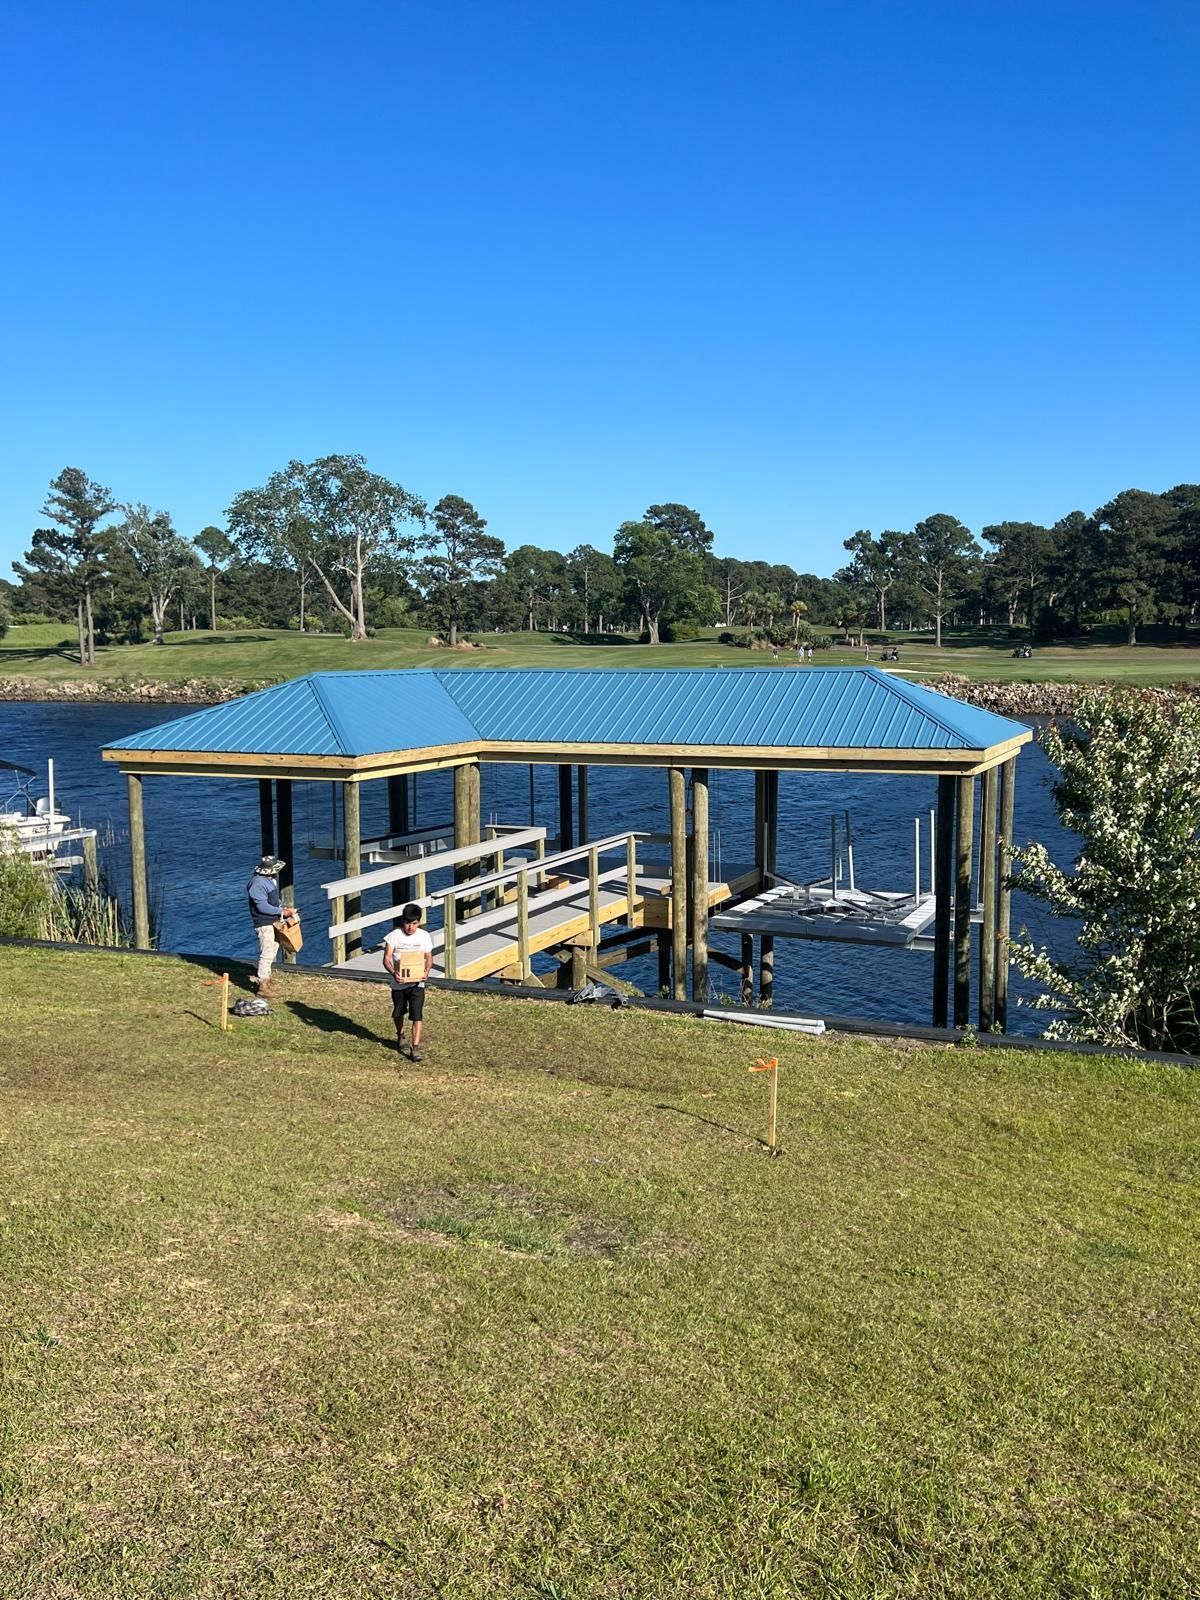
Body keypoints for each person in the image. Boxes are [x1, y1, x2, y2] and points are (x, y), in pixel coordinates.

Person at [383, 902, 433, 1060]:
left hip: (417, 983)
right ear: (402, 922)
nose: (410, 927)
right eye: (407, 923)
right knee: (398, 1012)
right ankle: (400, 1034)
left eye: (414, 923)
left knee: (417, 1014)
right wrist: (393, 973)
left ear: (419, 922)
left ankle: (415, 1047)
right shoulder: (394, 936)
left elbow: (429, 957)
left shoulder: (424, 936)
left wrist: (427, 971)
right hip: (399, 983)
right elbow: (386, 958)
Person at [247, 854, 286, 998]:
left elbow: (272, 902)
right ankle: (263, 986)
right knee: (267, 952)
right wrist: (282, 911)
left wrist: (281, 908)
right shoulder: (257, 883)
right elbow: (262, 906)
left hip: (272, 921)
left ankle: (267, 980)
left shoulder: (269, 881)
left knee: (273, 949)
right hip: (264, 922)